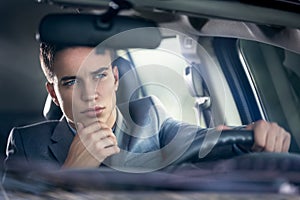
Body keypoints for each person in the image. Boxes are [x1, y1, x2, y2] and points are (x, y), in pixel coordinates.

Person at [4, 43, 291, 172]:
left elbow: (204, 141)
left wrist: (253, 137)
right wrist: (68, 176)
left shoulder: (148, 116)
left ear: (115, 78)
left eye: (100, 75)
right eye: (71, 82)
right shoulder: (27, 144)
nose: (90, 94)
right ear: (54, 94)